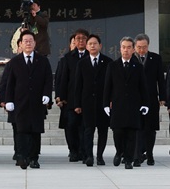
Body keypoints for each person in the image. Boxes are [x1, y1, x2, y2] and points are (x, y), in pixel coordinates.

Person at [3, 31, 53, 169]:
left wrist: (47, 95)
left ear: (35, 43)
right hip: (20, 102)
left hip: (37, 102)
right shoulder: (14, 62)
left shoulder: (43, 61)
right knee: (21, 131)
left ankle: (34, 158)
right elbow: (10, 83)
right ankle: (22, 157)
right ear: (20, 44)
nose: (28, 43)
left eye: (31, 40)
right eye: (25, 41)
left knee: (35, 131)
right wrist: (9, 100)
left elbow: (48, 80)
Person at [103, 37, 149, 169]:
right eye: (124, 47)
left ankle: (128, 160)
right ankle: (119, 151)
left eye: (129, 47)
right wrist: (106, 104)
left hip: (133, 106)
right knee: (118, 132)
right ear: (120, 49)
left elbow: (143, 87)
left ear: (133, 49)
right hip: (118, 106)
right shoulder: (112, 66)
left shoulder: (138, 67)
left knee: (131, 134)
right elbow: (107, 87)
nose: (126, 50)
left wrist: (145, 104)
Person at [72, 34, 112, 166]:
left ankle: (100, 156)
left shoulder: (108, 62)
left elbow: (112, 84)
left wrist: (111, 101)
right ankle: (89, 155)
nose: (93, 46)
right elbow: (78, 85)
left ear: (100, 46)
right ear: (87, 47)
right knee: (88, 131)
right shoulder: (82, 63)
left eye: (95, 43)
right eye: (90, 44)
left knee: (103, 130)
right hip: (87, 102)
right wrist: (77, 104)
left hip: (103, 103)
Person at [56, 28, 89, 162]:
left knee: (85, 127)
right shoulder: (67, 58)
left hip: (86, 99)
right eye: (78, 38)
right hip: (70, 99)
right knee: (71, 127)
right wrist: (60, 96)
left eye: (83, 38)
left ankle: (84, 151)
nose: (80, 41)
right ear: (74, 41)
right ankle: (73, 151)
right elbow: (62, 79)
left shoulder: (91, 56)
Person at [134, 33, 166, 166]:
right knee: (137, 127)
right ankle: (138, 153)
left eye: (144, 47)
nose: (142, 50)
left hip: (151, 97)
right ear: (135, 46)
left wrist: (163, 97)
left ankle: (150, 153)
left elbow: (160, 79)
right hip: (135, 99)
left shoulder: (156, 58)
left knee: (150, 128)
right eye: (139, 47)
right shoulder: (130, 58)